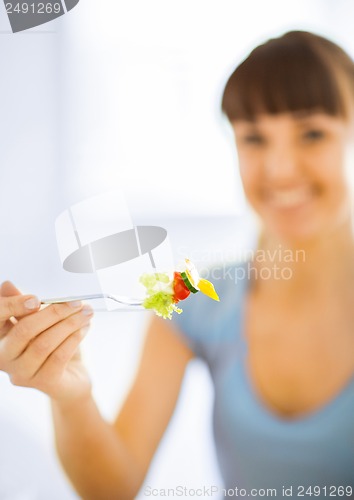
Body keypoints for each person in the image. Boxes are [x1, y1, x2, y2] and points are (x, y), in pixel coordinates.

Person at [2, 30, 354, 499]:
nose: (281, 169)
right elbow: (114, 487)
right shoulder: (189, 292)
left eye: (312, 133)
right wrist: (71, 395)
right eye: (253, 138)